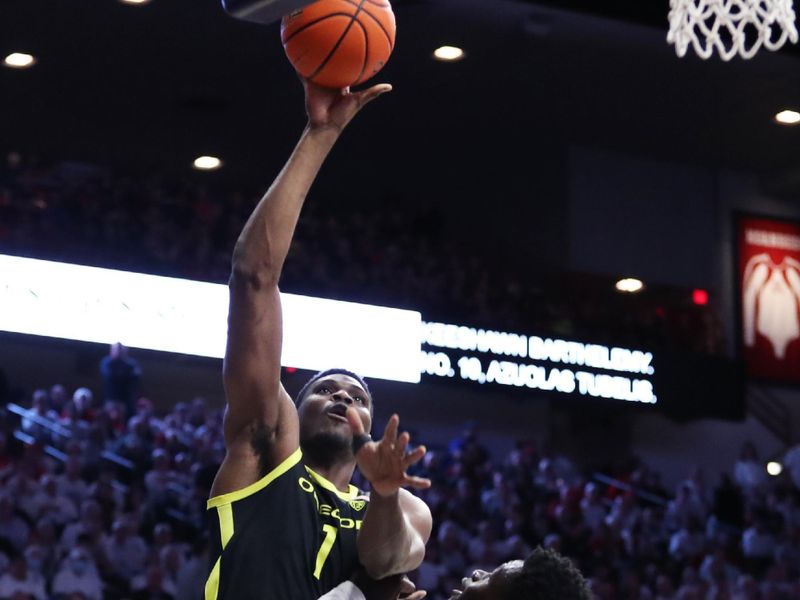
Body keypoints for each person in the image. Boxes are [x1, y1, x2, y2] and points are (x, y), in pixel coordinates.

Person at [205, 77, 433, 600]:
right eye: (326, 390)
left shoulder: (404, 506)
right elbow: (253, 276)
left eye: (358, 397)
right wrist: (321, 132)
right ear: (293, 409)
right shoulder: (265, 451)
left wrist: (381, 493)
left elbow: (385, 558)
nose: (344, 397)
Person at [99, 342, 142, 419]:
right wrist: (126, 375)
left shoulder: (130, 364)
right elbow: (110, 376)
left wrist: (122, 374)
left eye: (121, 351)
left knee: (122, 421)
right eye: (117, 350)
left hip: (124, 400)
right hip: (111, 398)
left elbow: (137, 375)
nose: (119, 352)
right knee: (108, 420)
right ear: (112, 351)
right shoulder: (107, 362)